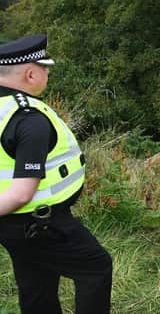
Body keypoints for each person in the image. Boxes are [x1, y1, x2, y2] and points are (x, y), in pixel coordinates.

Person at [0, 34, 112, 314]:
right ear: (29, 73)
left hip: (13, 227)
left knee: (36, 281)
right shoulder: (28, 119)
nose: (47, 73)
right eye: (44, 67)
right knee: (95, 268)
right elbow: (22, 192)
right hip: (41, 224)